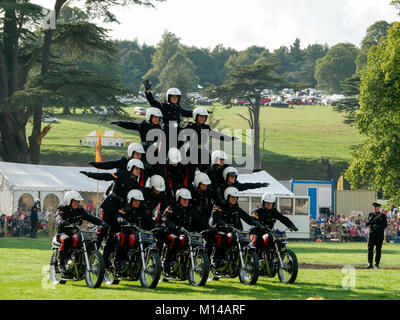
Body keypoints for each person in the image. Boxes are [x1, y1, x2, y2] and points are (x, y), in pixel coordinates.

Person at [80, 159, 145, 267]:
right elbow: (106, 176)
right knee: (103, 230)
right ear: (131, 168)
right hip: (110, 205)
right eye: (137, 169)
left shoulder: (136, 184)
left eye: (140, 170)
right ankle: (90, 255)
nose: (139, 171)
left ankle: (105, 260)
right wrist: (90, 175)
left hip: (120, 210)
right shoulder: (122, 174)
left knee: (114, 235)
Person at [55, 191, 107, 274]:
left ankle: (82, 261)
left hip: (76, 232)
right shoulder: (62, 209)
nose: (77, 203)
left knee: (88, 241)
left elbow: (89, 217)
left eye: (78, 201)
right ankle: (61, 264)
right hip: (64, 233)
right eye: (75, 201)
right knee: (67, 240)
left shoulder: (80, 210)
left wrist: (102, 223)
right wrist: (65, 223)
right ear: (69, 200)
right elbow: (59, 219)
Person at [160, 188, 208, 276]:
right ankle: (166, 263)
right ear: (178, 198)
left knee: (197, 240)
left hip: (185, 233)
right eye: (184, 199)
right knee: (175, 240)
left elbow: (199, 220)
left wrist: (208, 227)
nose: (186, 201)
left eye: (187, 199)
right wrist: (174, 226)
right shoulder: (171, 208)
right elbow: (166, 220)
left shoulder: (190, 210)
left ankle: (186, 262)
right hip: (171, 232)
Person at [211, 187, 261, 268]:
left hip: (235, 231)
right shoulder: (219, 206)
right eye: (232, 197)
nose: (234, 199)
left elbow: (246, 217)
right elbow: (216, 215)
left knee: (246, 240)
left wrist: (255, 222)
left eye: (236, 197)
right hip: (222, 230)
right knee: (223, 238)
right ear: (227, 196)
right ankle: (217, 260)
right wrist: (222, 223)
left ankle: (243, 259)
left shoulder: (236, 208)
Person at [181, 107, 235, 172]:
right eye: (200, 116)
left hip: (203, 152)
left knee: (209, 171)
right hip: (192, 151)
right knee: (191, 172)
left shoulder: (206, 127)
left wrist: (228, 138)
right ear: (196, 116)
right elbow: (179, 132)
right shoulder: (190, 126)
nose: (203, 118)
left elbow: (216, 135)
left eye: (204, 117)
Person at [113, 189, 155, 271]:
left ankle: (138, 262)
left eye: (139, 201)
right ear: (130, 199)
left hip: (136, 232)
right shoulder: (124, 208)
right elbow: (119, 216)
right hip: (125, 230)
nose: (137, 202)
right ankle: (118, 260)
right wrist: (121, 220)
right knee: (123, 237)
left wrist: (157, 225)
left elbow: (148, 220)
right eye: (135, 200)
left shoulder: (141, 210)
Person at [366, 202, 388, 269]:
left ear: (379, 207)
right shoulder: (370, 215)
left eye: (376, 207)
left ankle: (377, 264)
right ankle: (370, 263)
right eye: (374, 207)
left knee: (378, 250)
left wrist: (377, 226)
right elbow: (367, 224)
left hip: (379, 234)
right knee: (370, 249)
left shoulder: (383, 215)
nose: (375, 208)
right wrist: (370, 220)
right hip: (372, 234)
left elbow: (385, 225)